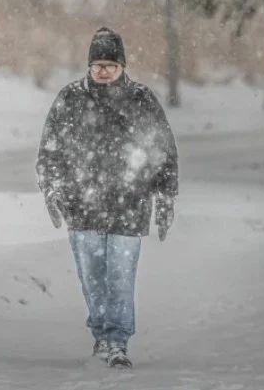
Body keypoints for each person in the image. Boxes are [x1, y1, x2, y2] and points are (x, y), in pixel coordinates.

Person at [35, 27, 178, 369]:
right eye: (97, 64)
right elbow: (50, 149)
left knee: (120, 277)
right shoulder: (70, 99)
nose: (103, 70)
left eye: (110, 64)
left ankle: (117, 341)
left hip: (130, 205)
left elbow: (163, 149)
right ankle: (100, 334)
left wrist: (166, 194)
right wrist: (52, 189)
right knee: (92, 276)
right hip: (80, 204)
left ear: (122, 66)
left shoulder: (141, 99)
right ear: (89, 65)